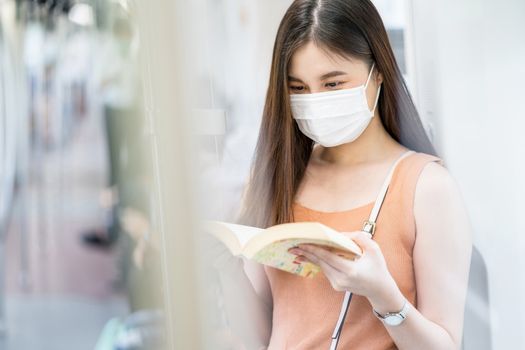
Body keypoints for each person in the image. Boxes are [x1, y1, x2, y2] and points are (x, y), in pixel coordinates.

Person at [225, 0, 473, 349]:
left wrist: (383, 295)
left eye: (332, 84)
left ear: (379, 72)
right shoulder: (280, 177)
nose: (313, 100)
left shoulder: (427, 189)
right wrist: (222, 271)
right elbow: (258, 334)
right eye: (297, 88)